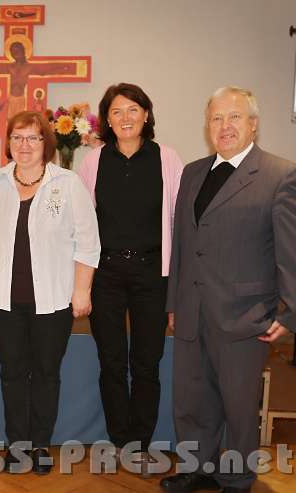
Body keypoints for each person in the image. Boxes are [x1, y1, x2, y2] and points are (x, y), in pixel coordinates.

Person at [160, 87, 296, 493]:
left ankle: (237, 478)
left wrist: (289, 313)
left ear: (253, 124)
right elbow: (182, 243)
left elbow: (292, 252)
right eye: (217, 118)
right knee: (191, 400)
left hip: (246, 314)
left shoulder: (280, 174)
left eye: (234, 117)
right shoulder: (193, 172)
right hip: (191, 309)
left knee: (238, 406)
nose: (224, 126)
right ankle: (195, 469)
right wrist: (174, 303)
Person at [0, 111, 100, 474]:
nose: (24, 145)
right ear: (8, 143)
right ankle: (16, 446)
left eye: (33, 138)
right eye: (18, 138)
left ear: (46, 144)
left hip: (53, 301)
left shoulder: (68, 185)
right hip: (4, 300)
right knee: (11, 373)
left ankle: (40, 444)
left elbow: (88, 243)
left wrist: (82, 291)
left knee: (45, 374)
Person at [77, 83, 184, 463]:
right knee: (110, 359)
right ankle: (119, 437)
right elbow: (83, 225)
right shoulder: (93, 161)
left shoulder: (167, 159)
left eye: (133, 109)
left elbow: (179, 221)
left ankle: (141, 437)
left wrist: (177, 285)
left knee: (146, 360)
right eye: (117, 111)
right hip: (105, 274)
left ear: (146, 115)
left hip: (152, 273)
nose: (125, 117)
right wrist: (83, 283)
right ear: (107, 119)